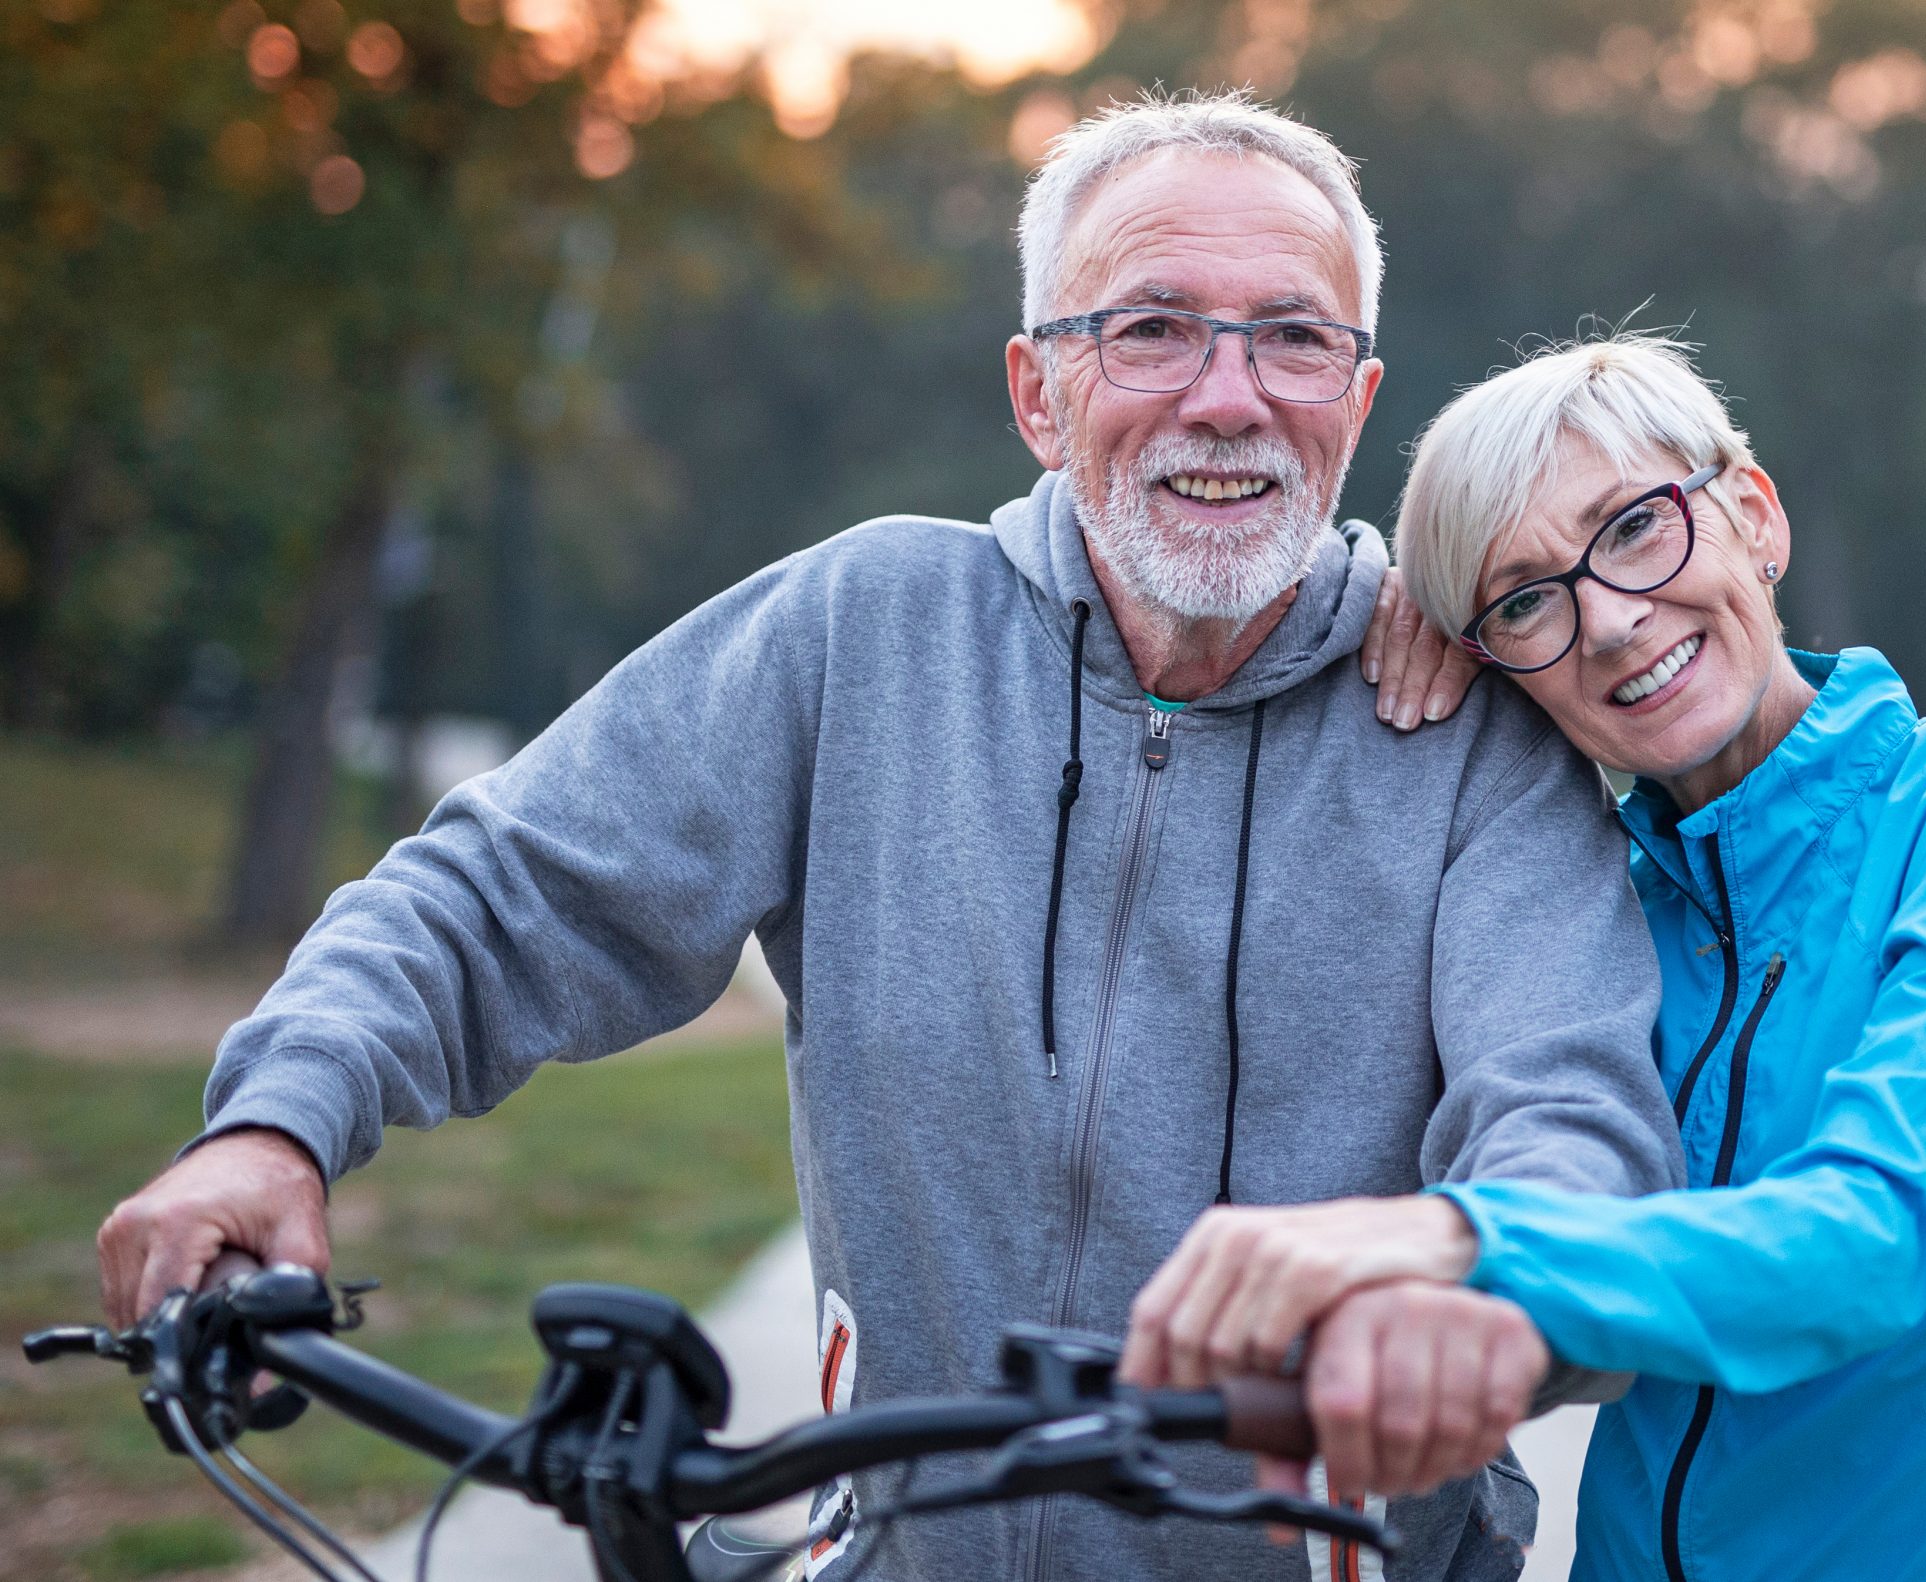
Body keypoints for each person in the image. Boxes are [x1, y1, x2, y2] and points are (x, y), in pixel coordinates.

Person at [92, 96, 1683, 1582]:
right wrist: (276, 1123)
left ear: (1357, 397)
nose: (1227, 394)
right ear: (1036, 394)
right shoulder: (866, 628)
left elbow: (1572, 1108)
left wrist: (1492, 1287)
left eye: (1290, 339)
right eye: (1150, 330)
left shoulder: (1472, 730)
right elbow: (505, 892)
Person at [1122, 334, 1926, 1579]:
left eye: (1632, 529)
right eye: (1523, 601)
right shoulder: (1592, 896)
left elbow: (1873, 1240)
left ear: (1754, 515)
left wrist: (1456, 1241)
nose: (1609, 622)